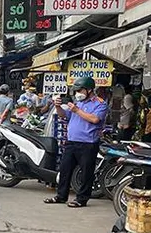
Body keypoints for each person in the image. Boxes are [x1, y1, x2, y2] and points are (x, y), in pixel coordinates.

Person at [44, 75, 107, 208]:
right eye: (76, 91)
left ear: (89, 90)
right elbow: (64, 116)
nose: (78, 94)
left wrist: (77, 110)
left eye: (80, 91)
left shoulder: (100, 104)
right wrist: (58, 107)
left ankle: (82, 199)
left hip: (88, 143)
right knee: (65, 169)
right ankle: (61, 196)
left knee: (86, 172)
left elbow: (95, 119)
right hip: (71, 142)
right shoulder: (78, 103)